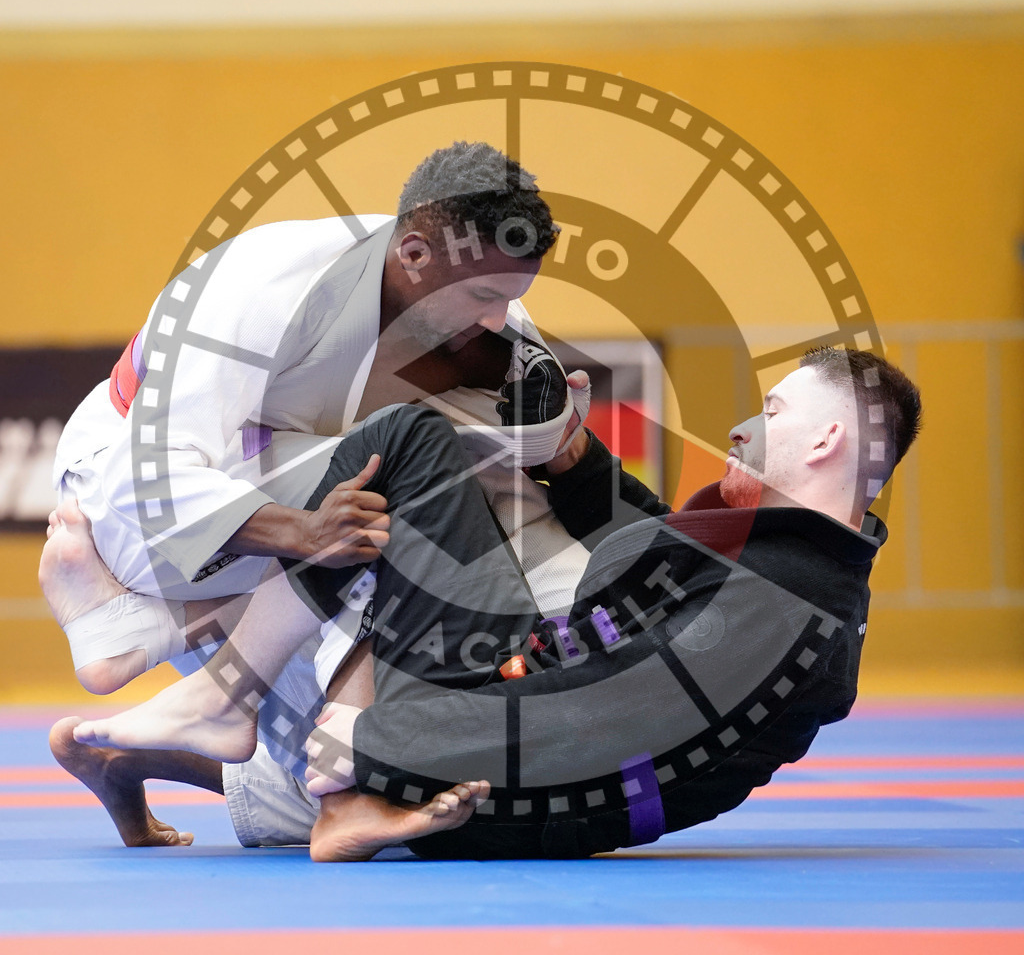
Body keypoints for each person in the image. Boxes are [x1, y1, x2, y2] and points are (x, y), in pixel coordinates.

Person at [61, 346, 921, 860]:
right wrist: (572, 456)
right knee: (376, 599)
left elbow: (614, 722)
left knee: (406, 455)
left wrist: (379, 744)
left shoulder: (790, 604)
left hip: (542, 775)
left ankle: (183, 663)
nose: (743, 427)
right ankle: (182, 730)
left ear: (826, 438)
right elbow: (649, 562)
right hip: (529, 757)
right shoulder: (784, 562)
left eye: (770, 409)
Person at [42, 140, 591, 700]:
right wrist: (303, 533)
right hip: (128, 498)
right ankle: (192, 659)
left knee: (311, 777)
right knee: (417, 482)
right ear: (416, 254)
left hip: (310, 514)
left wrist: (555, 438)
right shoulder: (263, 280)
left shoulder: (495, 328)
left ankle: (157, 660)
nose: (499, 316)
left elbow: (523, 458)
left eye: (511, 295)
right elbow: (146, 475)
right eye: (482, 295)